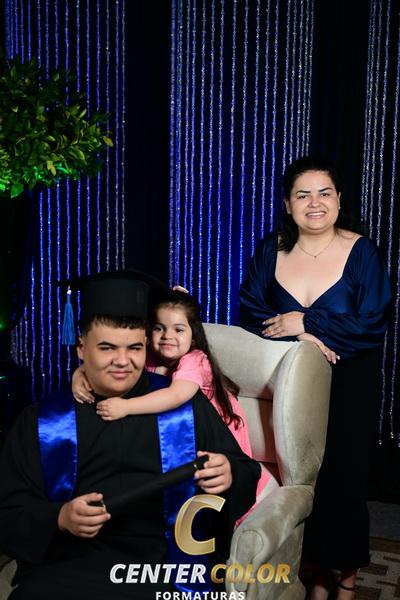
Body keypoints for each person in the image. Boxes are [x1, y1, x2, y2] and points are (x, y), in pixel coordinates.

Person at [0, 272, 261, 600]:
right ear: (81, 348)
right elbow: (10, 511)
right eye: (107, 348)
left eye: (134, 347)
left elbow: (243, 470)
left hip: (164, 567)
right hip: (69, 566)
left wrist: (229, 473)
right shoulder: (43, 421)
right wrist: (60, 518)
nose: (122, 362)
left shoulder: (185, 408)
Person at [239, 156, 391, 600]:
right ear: (288, 204)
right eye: (302, 195)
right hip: (288, 385)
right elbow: (250, 310)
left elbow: (373, 321)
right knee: (302, 478)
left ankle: (347, 576)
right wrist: (300, 336)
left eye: (325, 193)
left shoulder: (362, 252)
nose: (315, 203)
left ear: (339, 199)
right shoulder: (271, 249)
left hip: (350, 385)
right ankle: (314, 571)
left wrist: (307, 323)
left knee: (345, 479)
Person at [72, 290, 271, 509]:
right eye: (159, 328)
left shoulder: (195, 360)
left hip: (211, 430)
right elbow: (113, 365)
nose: (167, 336)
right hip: (174, 428)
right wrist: (80, 373)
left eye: (178, 329)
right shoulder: (148, 356)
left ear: (193, 336)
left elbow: (175, 396)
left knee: (210, 475)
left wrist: (126, 406)